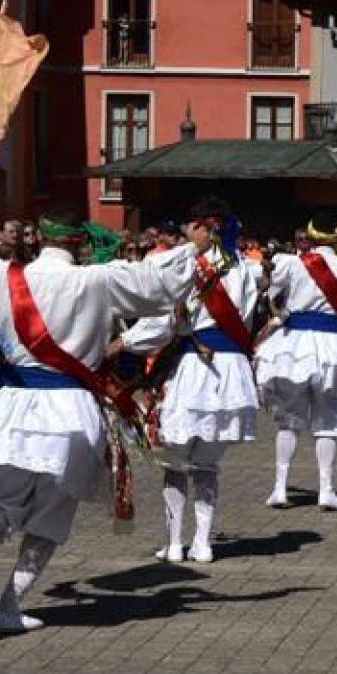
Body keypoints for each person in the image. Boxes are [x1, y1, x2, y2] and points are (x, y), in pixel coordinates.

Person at [0, 196, 199, 634]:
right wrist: (195, 245)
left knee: (2, 499)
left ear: (38, 235)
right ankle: (9, 605)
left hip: (14, 403)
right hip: (72, 410)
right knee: (51, 518)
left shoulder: (1, 273)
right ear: (80, 240)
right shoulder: (99, 279)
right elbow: (159, 283)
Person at [119, 198, 261, 564]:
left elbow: (164, 320)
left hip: (194, 368)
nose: (186, 231)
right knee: (208, 463)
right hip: (231, 370)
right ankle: (203, 542)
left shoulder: (188, 266)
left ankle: (174, 543)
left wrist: (126, 342)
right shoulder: (246, 268)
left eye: (191, 225)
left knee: (174, 460)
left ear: (204, 228)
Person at [258, 220, 337, 510]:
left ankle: (280, 488)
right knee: (328, 421)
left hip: (293, 345)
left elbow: (269, 292)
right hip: (332, 346)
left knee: (288, 420)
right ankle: (326, 490)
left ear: (310, 236)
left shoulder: (293, 264)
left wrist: (281, 315)